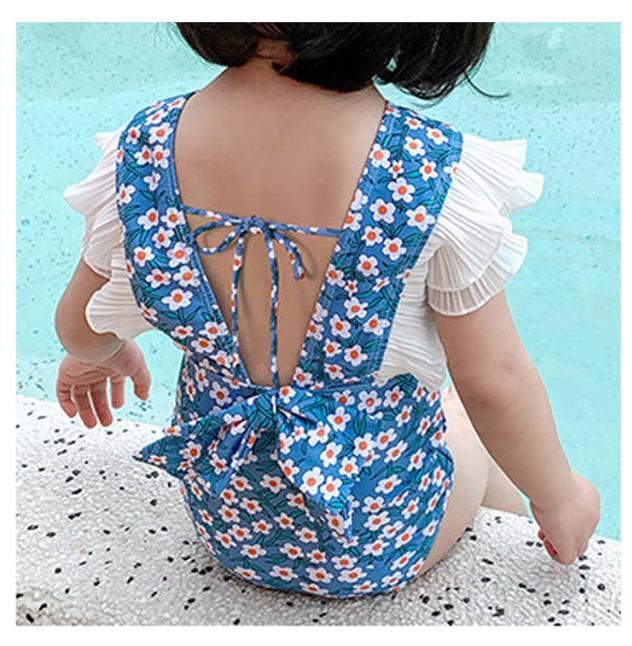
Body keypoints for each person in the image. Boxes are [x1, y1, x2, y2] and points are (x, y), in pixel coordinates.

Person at [54, 23, 600, 598]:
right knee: (469, 424)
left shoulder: (147, 147)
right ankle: (529, 536)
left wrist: (101, 356)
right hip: (376, 542)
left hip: (230, 524)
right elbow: (495, 383)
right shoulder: (428, 173)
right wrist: (561, 496)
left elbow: (78, 323)